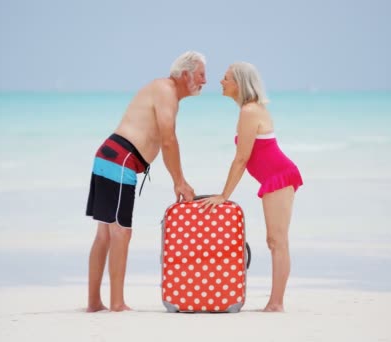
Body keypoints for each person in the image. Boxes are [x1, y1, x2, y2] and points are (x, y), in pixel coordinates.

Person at [85, 51, 207, 312]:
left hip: (109, 154)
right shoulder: (166, 90)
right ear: (185, 74)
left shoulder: (164, 91)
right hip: (121, 158)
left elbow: (165, 141)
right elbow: (168, 140)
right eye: (201, 75)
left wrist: (178, 180)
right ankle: (117, 303)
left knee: (105, 233)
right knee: (120, 232)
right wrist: (180, 182)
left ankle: (95, 302)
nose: (205, 81)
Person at [199, 62, 303, 312]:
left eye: (225, 78)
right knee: (274, 241)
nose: (221, 82)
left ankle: (276, 303)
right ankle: (275, 302)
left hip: (279, 176)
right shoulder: (249, 110)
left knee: (278, 242)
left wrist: (224, 196)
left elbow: (241, 159)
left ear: (238, 83)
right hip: (274, 179)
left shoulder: (249, 111)